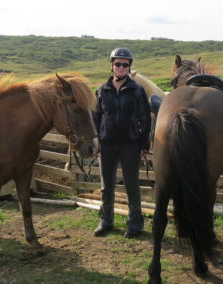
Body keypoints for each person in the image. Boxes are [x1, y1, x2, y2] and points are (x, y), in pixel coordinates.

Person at [92, 47, 151, 238]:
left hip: (130, 144)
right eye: (117, 64)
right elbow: (96, 118)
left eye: (125, 65)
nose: (121, 67)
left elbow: (145, 120)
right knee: (106, 186)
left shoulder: (137, 90)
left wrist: (144, 145)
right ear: (111, 65)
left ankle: (134, 224)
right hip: (107, 144)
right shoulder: (102, 90)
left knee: (131, 186)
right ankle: (105, 222)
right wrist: (96, 142)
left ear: (129, 67)